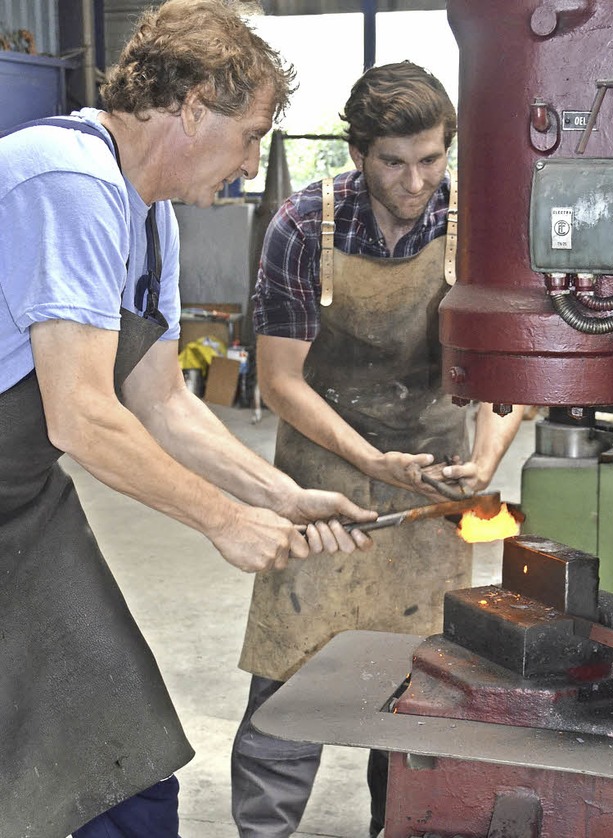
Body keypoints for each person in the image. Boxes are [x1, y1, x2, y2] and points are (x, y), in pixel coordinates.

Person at [0, 2, 378, 836]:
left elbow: (164, 401)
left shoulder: (151, 219)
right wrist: (223, 521)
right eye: (249, 135)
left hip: (16, 500)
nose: (250, 163)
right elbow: (82, 417)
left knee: (123, 764)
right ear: (193, 105)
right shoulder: (68, 180)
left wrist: (279, 495)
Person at [232, 61, 524, 838]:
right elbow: (280, 381)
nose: (415, 180)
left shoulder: (478, 225)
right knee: (288, 676)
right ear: (359, 152)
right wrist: (364, 460)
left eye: (431, 159)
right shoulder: (303, 226)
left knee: (413, 689)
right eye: (394, 161)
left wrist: (488, 456)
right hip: (325, 476)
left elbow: (512, 363)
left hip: (434, 481)